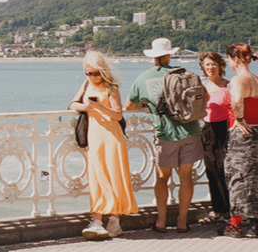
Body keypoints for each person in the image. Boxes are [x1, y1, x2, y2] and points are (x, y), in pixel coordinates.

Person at [125, 38, 203, 233]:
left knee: (162, 178)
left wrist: (144, 104)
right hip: (191, 131)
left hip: (165, 134)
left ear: (153, 56)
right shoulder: (186, 74)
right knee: (186, 177)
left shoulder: (143, 78)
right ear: (170, 55)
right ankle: (182, 221)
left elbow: (129, 106)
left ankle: (161, 221)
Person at [69, 50, 137, 240]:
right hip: (95, 137)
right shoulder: (86, 84)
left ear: (103, 71)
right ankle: (96, 220)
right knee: (97, 177)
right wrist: (85, 107)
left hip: (112, 137)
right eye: (88, 73)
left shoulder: (111, 88)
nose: (92, 77)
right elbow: (73, 104)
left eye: (95, 73)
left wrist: (99, 106)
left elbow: (118, 115)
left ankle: (114, 221)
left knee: (114, 175)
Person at [222, 44, 258, 238]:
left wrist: (239, 118)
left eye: (229, 59)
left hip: (242, 133)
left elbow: (237, 101)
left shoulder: (238, 79)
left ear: (236, 59)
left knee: (239, 176)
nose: (228, 62)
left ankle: (235, 225)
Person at [199, 51, 232, 222]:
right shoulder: (202, 87)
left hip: (225, 130)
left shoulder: (229, 85)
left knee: (226, 170)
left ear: (220, 65)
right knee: (211, 171)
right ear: (203, 67)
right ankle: (218, 210)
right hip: (207, 130)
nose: (210, 67)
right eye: (207, 64)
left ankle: (232, 210)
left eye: (213, 64)